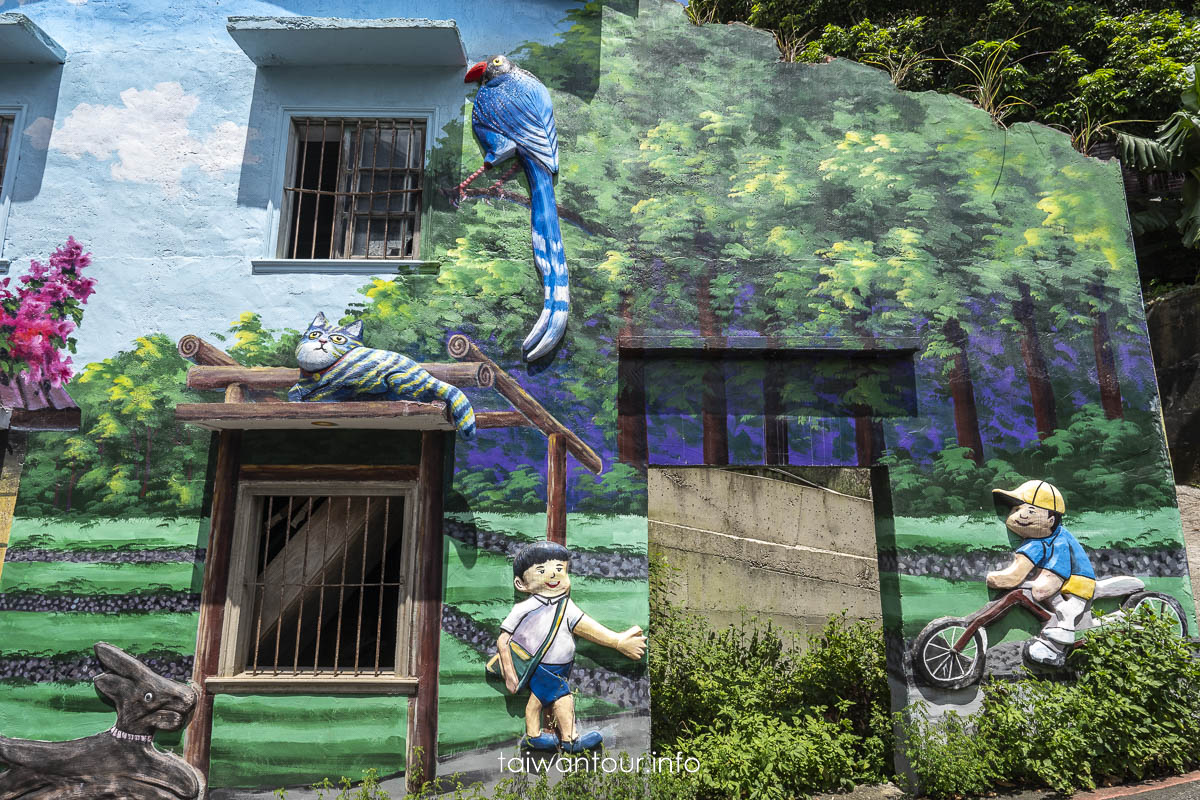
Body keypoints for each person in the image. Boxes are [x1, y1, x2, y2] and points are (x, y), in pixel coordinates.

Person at [496, 541, 646, 752]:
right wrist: (510, 673)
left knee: (539, 700)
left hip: (559, 666)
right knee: (562, 697)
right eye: (541, 570)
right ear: (521, 584)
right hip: (541, 664)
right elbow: (503, 639)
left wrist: (618, 641)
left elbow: (587, 627)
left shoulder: (566, 606)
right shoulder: (525, 607)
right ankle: (569, 740)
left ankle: (534, 736)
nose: (553, 575)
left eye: (559, 569)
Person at [986, 480, 1096, 667]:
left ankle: (1055, 652)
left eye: (1030, 511)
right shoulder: (1037, 540)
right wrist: (1009, 578)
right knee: (1038, 595)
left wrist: (1042, 586)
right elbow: (1021, 566)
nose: (1019, 516)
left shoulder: (1061, 540)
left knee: (1065, 610)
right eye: (1017, 509)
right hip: (1059, 584)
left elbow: (1056, 572)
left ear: (1050, 520)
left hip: (1078, 582)